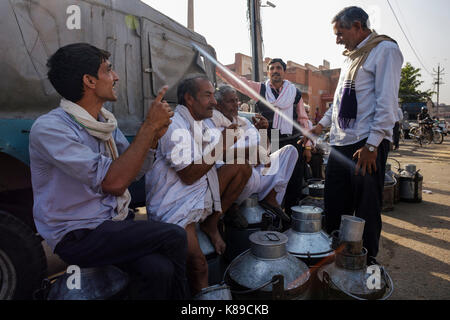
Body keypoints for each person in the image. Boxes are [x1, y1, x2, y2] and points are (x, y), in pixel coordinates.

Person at [29, 43, 189, 299]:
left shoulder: (106, 124)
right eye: (109, 70)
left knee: (159, 270)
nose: (115, 77)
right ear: (89, 80)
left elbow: (130, 174)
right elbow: (113, 183)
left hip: (111, 224)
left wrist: (153, 139)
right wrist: (148, 127)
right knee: (175, 235)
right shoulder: (50, 128)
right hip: (79, 235)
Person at [302, 7, 403, 265]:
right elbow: (338, 102)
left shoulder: (385, 50)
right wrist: (320, 126)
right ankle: (337, 255)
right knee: (335, 202)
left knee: (366, 207)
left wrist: (372, 145)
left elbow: (387, 101)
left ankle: (366, 260)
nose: (337, 40)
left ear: (358, 26)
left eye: (340, 33)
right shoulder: (351, 57)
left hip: (365, 144)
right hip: (340, 142)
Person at [145, 76, 252, 295]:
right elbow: (189, 175)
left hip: (196, 192)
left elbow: (218, 156)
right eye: (208, 95)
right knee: (199, 266)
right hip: (174, 203)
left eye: (214, 95)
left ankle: (210, 224)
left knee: (243, 166)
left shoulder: (201, 123)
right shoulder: (174, 125)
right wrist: (223, 143)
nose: (214, 101)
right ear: (189, 99)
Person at [217, 58, 312, 215]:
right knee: (271, 176)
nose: (275, 71)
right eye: (272, 68)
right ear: (268, 73)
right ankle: (271, 211)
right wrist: (218, 68)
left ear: (284, 72)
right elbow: (239, 82)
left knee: (294, 180)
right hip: (270, 138)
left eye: (279, 68)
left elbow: (303, 119)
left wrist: (308, 146)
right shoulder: (260, 89)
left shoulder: (294, 93)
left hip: (293, 139)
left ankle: (290, 216)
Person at [211, 85, 298, 222]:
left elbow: (267, 150)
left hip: (258, 170)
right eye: (230, 101)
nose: (235, 105)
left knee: (290, 151)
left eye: (236, 100)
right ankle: (232, 206)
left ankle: (270, 197)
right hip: (242, 177)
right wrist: (251, 155)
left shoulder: (243, 121)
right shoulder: (213, 123)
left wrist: (263, 131)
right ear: (219, 106)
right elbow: (218, 156)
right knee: (244, 169)